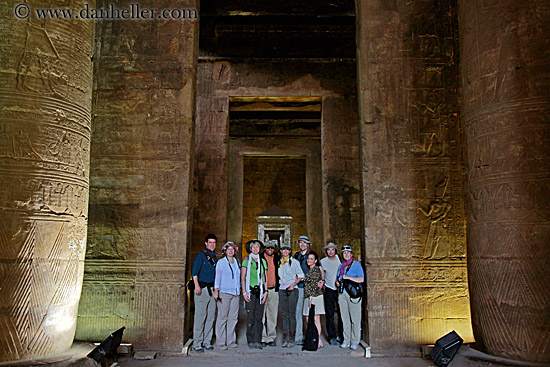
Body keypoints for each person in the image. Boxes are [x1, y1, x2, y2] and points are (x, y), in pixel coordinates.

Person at [191, 234, 218, 352]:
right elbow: (194, 272)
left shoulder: (215, 258)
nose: (212, 245)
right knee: (200, 317)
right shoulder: (200, 256)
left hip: (212, 290)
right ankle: (197, 343)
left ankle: (207, 341)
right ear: (206, 243)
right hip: (201, 289)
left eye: (214, 243)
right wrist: (196, 285)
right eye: (210, 242)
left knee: (210, 317)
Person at [335, 245, 364, 350]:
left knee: (355, 318)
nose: (346, 254)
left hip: (353, 294)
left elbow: (361, 279)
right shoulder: (341, 266)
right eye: (344, 253)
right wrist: (338, 282)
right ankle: (346, 340)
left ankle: (355, 340)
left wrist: (348, 278)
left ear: (351, 254)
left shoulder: (356, 265)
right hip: (342, 293)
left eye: (348, 252)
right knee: (345, 318)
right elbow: (338, 278)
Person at [213, 241, 241, 350]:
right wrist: (216, 290)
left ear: (234, 251)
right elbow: (217, 277)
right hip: (224, 292)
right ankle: (221, 341)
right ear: (225, 251)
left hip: (235, 293)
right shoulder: (221, 262)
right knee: (222, 317)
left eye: (232, 249)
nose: (230, 251)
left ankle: (231, 340)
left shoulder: (236, 262)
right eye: (228, 249)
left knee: (233, 318)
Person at [241, 239, 268, 349]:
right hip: (250, 291)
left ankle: (258, 340)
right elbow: (243, 278)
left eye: (257, 247)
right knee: (250, 316)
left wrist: (266, 292)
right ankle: (251, 340)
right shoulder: (246, 261)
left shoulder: (263, 261)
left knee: (258, 316)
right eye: (253, 247)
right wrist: (244, 292)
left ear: (259, 249)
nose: (255, 249)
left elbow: (265, 278)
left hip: (260, 292)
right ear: (250, 249)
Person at [278, 242, 304, 348]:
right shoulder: (279, 262)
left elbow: (301, 276)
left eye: (287, 250)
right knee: (284, 314)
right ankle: (285, 337)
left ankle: (292, 338)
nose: (285, 251)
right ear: (281, 251)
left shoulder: (295, 262)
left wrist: (293, 285)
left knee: (291, 313)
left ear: (289, 251)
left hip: (292, 289)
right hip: (282, 289)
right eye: (283, 250)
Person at [320, 241, 343, 345]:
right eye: (328, 250)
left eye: (332, 249)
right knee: (329, 314)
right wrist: (323, 284)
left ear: (335, 251)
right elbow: (321, 273)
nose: (330, 251)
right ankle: (332, 336)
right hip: (329, 289)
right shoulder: (323, 261)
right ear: (326, 251)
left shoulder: (340, 260)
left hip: (340, 289)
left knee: (342, 312)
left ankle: (341, 334)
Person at [302, 251, 325, 349]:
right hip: (309, 296)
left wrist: (311, 297)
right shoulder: (310, 270)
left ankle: (318, 339)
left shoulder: (315, 270)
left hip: (314, 297)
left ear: (315, 261)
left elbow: (315, 284)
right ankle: (315, 337)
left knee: (316, 318)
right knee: (309, 318)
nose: (309, 260)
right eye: (308, 258)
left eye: (311, 259)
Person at [293, 235, 311, 345]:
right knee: (298, 312)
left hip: (309, 287)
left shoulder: (312, 256)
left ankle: (309, 335)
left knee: (308, 313)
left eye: (304, 243)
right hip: (299, 287)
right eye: (301, 242)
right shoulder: (296, 256)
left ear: (308, 244)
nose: (302, 244)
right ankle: (298, 336)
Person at [261, 240, 279, 347]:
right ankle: (263, 337)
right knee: (262, 314)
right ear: (265, 248)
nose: (270, 250)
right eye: (268, 248)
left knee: (272, 314)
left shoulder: (277, 259)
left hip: (274, 290)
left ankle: (271, 337)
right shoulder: (260, 258)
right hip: (263, 290)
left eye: (272, 248)